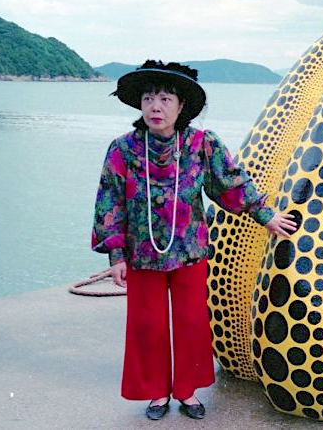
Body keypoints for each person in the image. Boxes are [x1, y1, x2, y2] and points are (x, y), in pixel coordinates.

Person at [91, 60, 296, 420]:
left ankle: (186, 391)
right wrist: (115, 257)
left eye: (166, 99)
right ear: (140, 105)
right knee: (148, 327)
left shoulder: (203, 144)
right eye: (149, 98)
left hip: (190, 252)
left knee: (191, 324)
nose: (156, 106)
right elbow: (110, 201)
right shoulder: (122, 150)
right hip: (141, 256)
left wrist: (267, 216)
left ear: (181, 105)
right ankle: (157, 393)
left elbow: (230, 184)